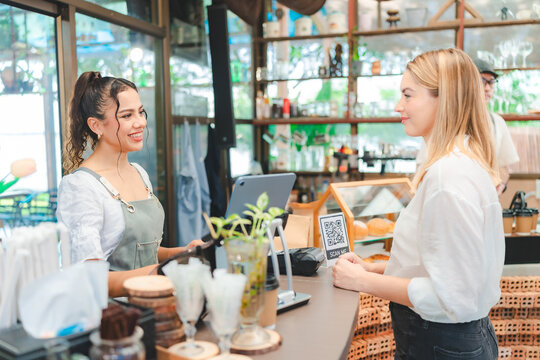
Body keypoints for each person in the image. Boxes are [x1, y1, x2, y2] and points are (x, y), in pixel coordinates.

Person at [333, 49, 503, 359]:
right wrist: (378, 268)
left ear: (444, 99)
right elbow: (444, 266)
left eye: (408, 95)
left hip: (441, 344)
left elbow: (450, 296)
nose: (399, 106)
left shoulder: (447, 177)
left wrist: (362, 280)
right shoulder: (458, 164)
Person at [57, 71, 202, 297]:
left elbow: (144, 252)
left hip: (157, 304)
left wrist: (184, 253)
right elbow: (90, 279)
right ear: (96, 125)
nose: (140, 122)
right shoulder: (80, 187)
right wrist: (163, 273)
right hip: (117, 320)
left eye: (140, 112)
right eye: (126, 116)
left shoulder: (139, 173)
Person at [416, 58, 519, 195]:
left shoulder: (497, 122)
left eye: (491, 82)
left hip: (485, 201)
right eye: (482, 81)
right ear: (466, 84)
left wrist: (500, 186)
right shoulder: (445, 121)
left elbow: (504, 166)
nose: (487, 88)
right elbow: (423, 167)